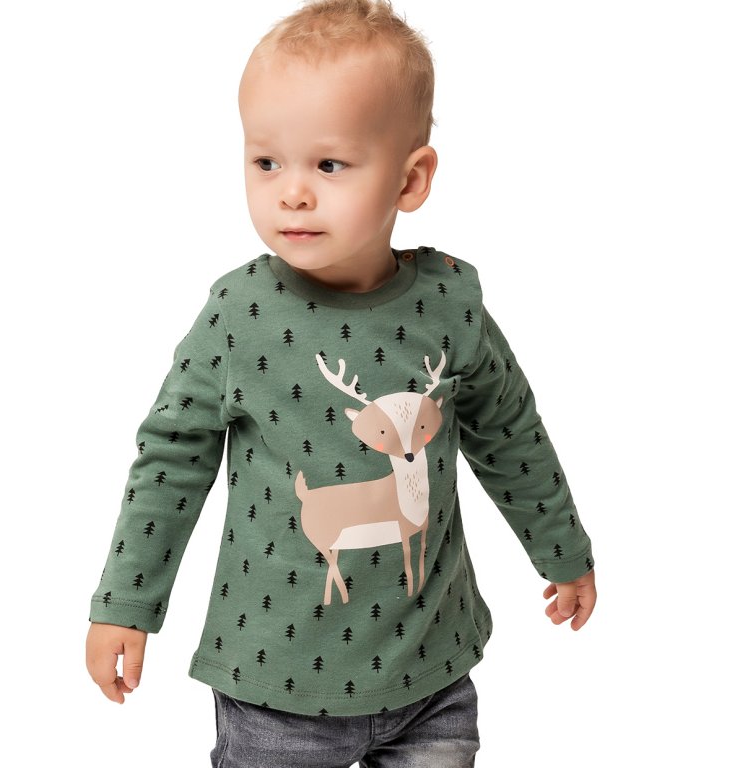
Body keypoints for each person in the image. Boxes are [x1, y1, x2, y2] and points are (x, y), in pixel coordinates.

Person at [86, 1, 596, 765]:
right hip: (275, 688)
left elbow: (511, 434)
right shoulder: (239, 316)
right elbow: (171, 461)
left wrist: (562, 548)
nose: (291, 192)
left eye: (328, 165)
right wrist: (127, 600)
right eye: (267, 162)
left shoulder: (450, 307)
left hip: (431, 676)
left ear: (411, 179)